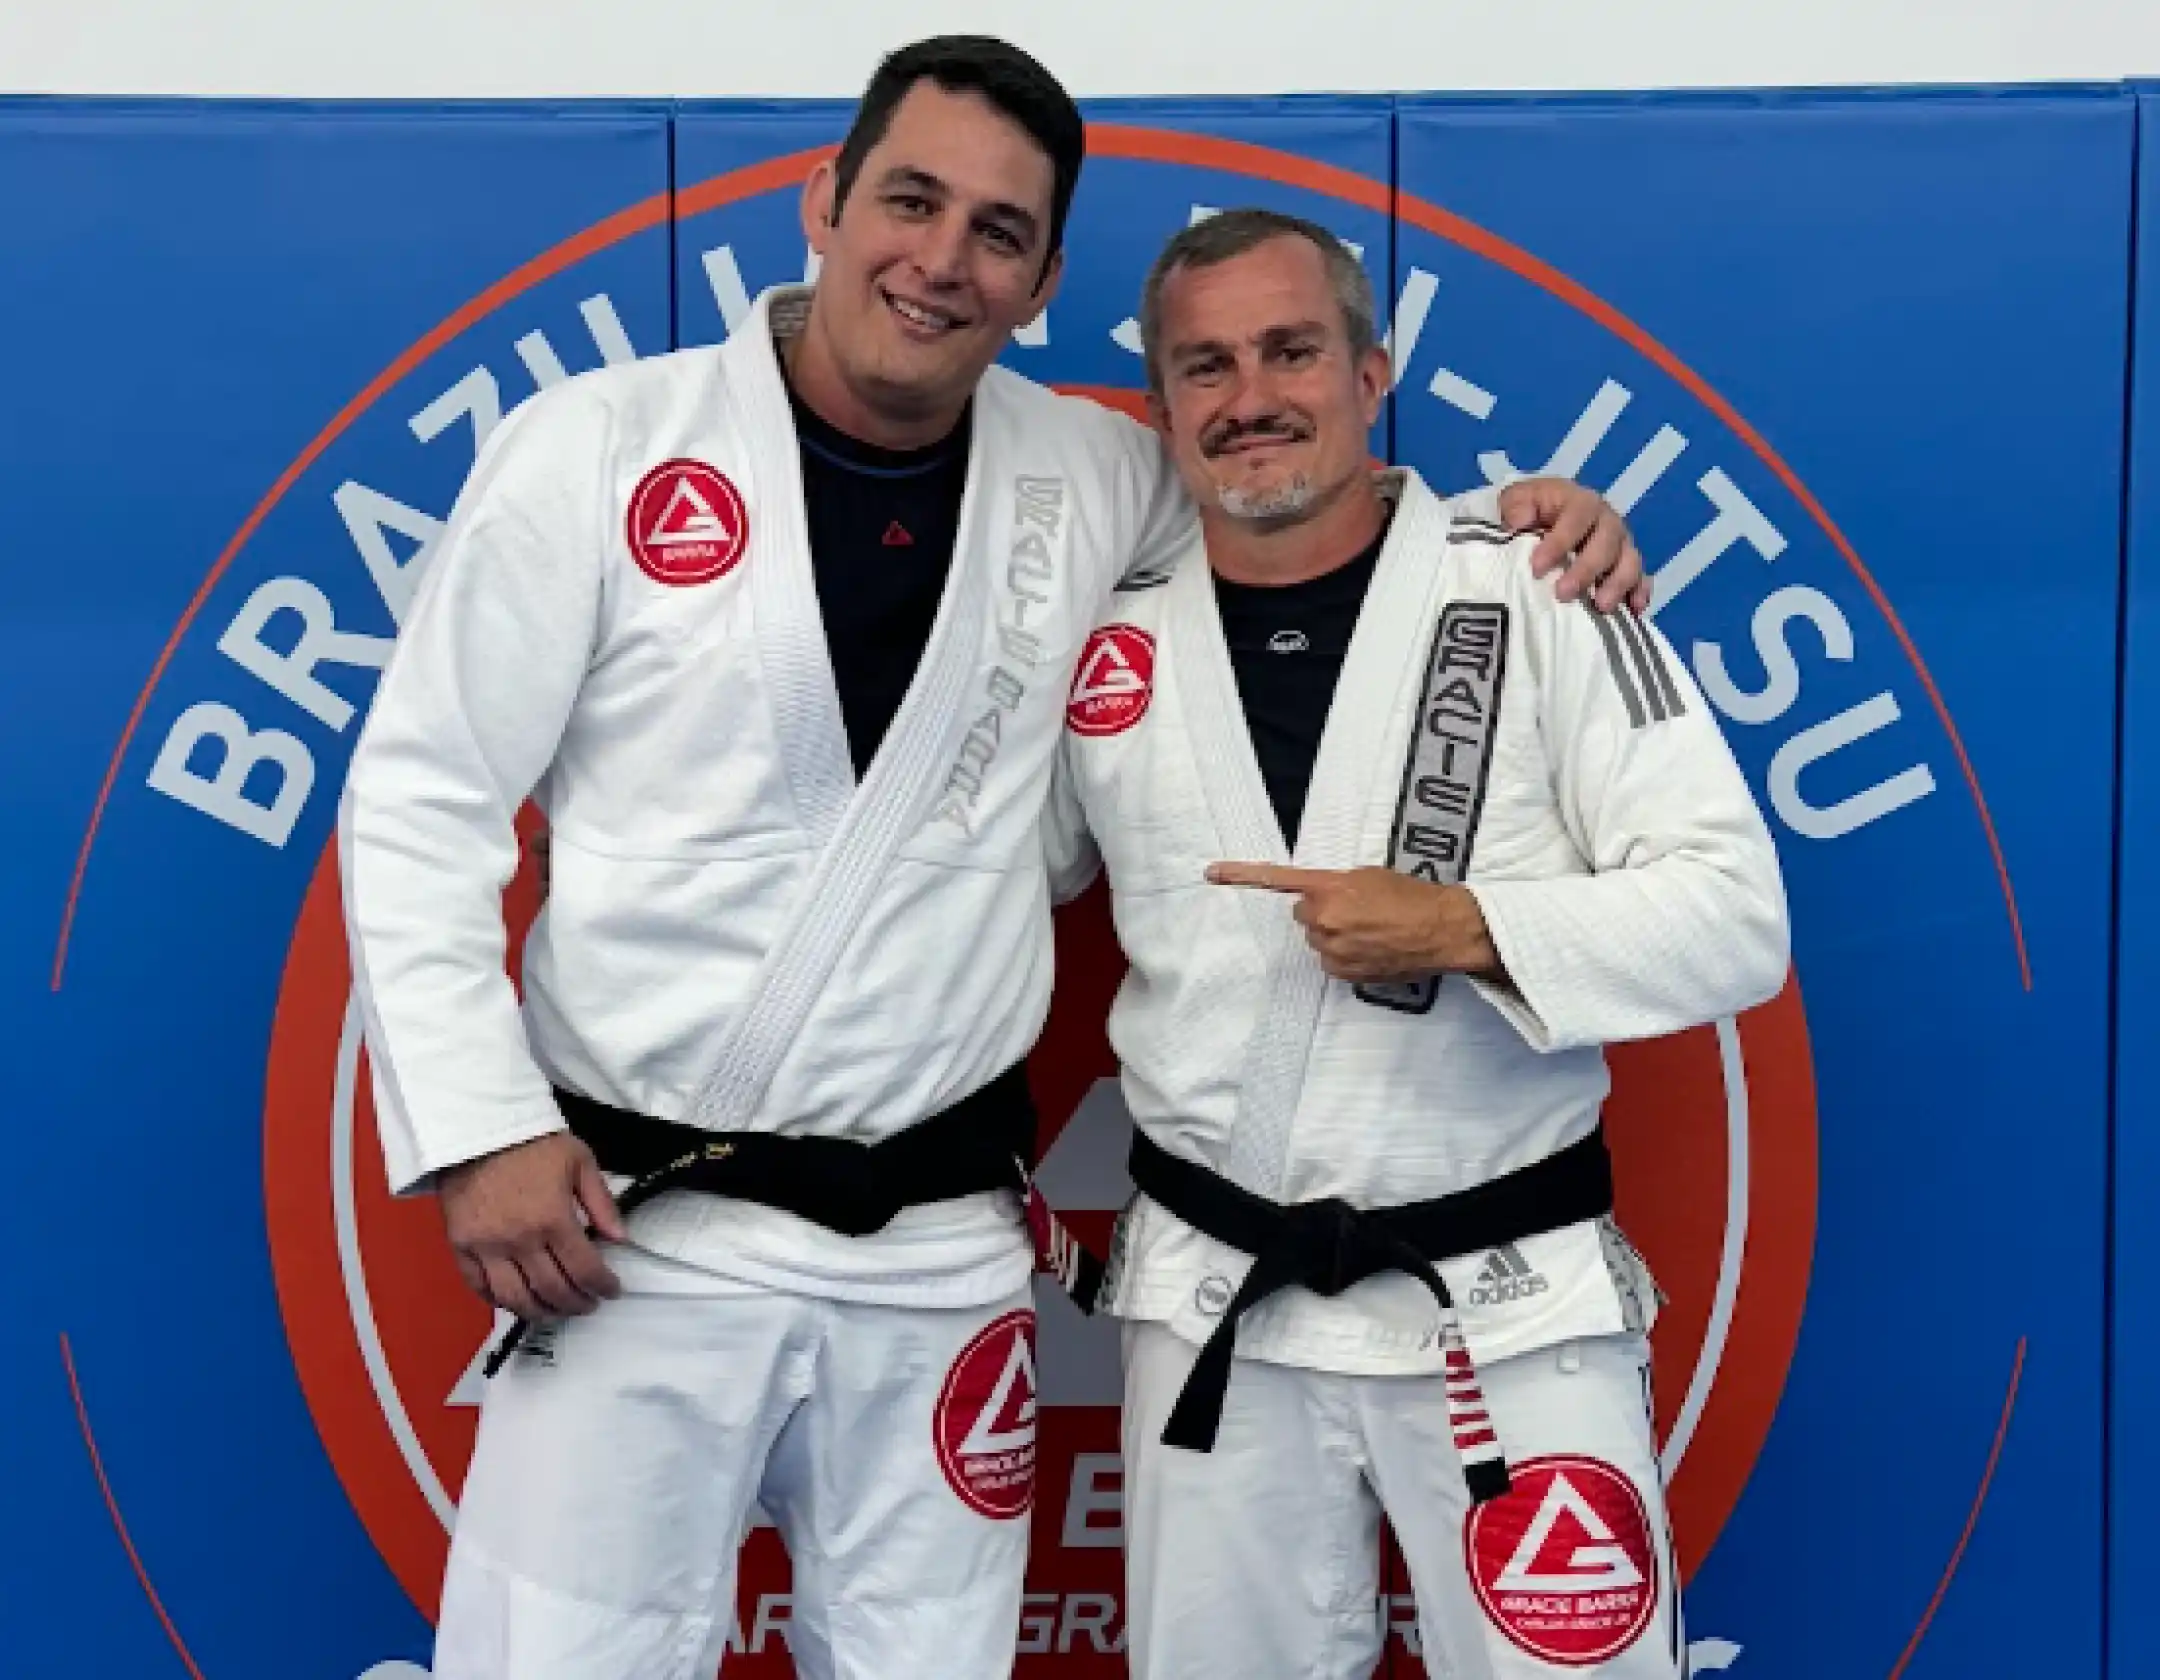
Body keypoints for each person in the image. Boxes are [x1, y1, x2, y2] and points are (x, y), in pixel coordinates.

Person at [338, 36, 1647, 1680]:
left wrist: (1520, 528)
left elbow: (1303, 502)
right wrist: (478, 1129)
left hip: (941, 1252)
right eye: (911, 200)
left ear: (1039, 286)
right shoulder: (596, 449)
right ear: (822, 200)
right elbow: (423, 795)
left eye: (1000, 233)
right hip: (635, 1230)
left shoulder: (1096, 475)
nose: (944, 259)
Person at [1048, 206, 1789, 1679]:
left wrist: (1467, 926)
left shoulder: (1542, 584)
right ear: (1160, 407)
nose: (1250, 396)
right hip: (1213, 1302)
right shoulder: (1103, 641)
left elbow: (1735, 917)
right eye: (1205, 366)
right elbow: (955, 896)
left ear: (1371, 375)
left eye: (1290, 351)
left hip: (1506, 1301)